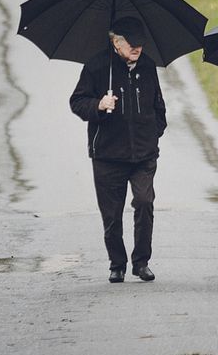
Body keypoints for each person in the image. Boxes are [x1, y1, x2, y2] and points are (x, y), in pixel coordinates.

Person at [69, 16, 166, 283]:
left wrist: (153, 133)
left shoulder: (147, 67)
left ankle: (141, 261)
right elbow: (77, 102)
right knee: (111, 214)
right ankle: (117, 264)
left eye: (140, 45)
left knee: (145, 203)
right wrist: (99, 105)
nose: (137, 49)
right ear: (116, 42)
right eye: (131, 44)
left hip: (143, 154)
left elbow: (159, 106)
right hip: (107, 154)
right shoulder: (97, 66)